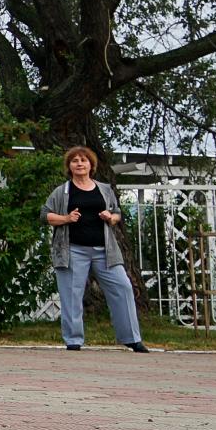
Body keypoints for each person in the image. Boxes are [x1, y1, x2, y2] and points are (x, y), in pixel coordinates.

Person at [43, 146, 147, 353]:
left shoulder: (104, 189)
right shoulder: (62, 191)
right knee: (71, 294)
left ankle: (132, 339)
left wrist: (111, 218)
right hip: (73, 250)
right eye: (75, 161)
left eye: (84, 160)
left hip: (105, 250)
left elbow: (117, 214)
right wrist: (66, 218)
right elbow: (45, 215)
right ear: (69, 167)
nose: (79, 164)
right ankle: (73, 341)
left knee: (123, 287)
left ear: (91, 165)